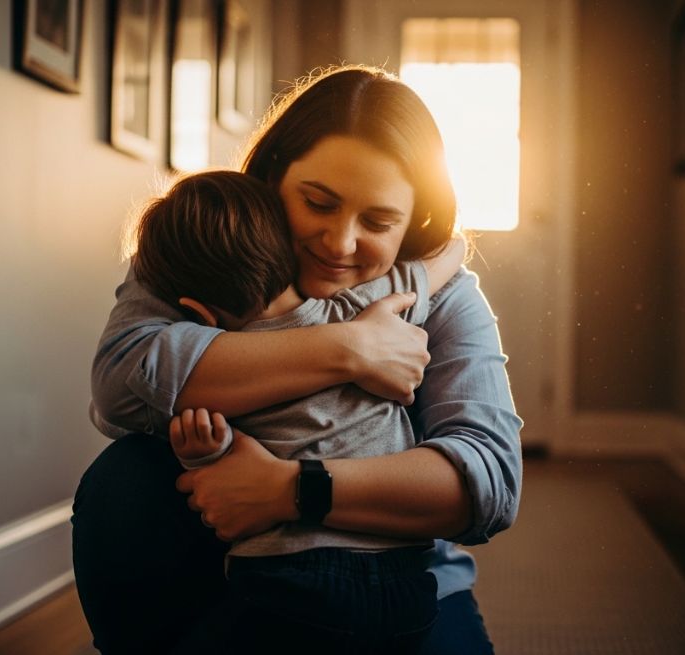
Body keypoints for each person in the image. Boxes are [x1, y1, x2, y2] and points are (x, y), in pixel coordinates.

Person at [73, 64, 523, 655]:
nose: (339, 244)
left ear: (414, 222)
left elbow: (490, 481)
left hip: (388, 569)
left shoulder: (438, 295)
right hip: (223, 557)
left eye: (379, 221)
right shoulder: (206, 243)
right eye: (317, 202)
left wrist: (293, 489)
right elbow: (119, 387)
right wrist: (350, 348)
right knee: (124, 478)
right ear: (273, 176)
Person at [128, 168, 465, 651]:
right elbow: (443, 258)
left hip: (287, 577)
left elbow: (226, 459)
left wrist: (204, 449)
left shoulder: (219, 367)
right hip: (402, 581)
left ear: (197, 313)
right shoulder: (359, 308)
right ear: (290, 251)